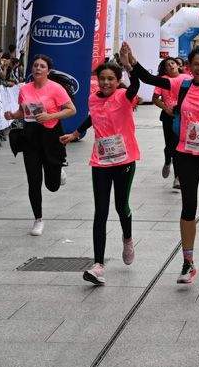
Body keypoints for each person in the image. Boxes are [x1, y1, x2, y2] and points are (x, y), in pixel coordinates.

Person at [127, 43, 199, 285]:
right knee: (188, 207)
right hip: (186, 154)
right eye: (196, 64)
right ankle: (188, 262)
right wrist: (132, 63)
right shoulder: (182, 83)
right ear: (189, 67)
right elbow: (149, 78)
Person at [60, 58, 141, 285]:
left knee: (121, 206)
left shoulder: (124, 96)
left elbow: (135, 86)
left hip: (124, 160)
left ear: (117, 81)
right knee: (100, 212)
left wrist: (129, 66)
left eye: (110, 79)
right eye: (102, 78)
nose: (105, 83)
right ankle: (98, 265)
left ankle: (127, 237)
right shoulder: (93, 98)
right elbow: (91, 118)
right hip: (101, 161)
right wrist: (76, 133)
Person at [7, 54, 77, 236]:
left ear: (48, 70)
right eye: (35, 65)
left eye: (42, 66)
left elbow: (72, 110)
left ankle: (58, 168)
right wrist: (12, 116)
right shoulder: (25, 89)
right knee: (33, 180)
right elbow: (23, 112)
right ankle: (38, 219)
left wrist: (50, 116)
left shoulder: (56, 88)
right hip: (30, 137)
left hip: (51, 136)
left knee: (52, 186)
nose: (38, 68)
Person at [151, 56, 183, 186]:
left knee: (178, 147)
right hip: (168, 117)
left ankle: (178, 177)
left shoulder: (186, 79)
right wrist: (166, 108)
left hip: (183, 117)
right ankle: (167, 161)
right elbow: (155, 98)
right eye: (167, 65)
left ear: (178, 65)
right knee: (169, 146)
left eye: (172, 63)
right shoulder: (163, 80)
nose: (171, 65)